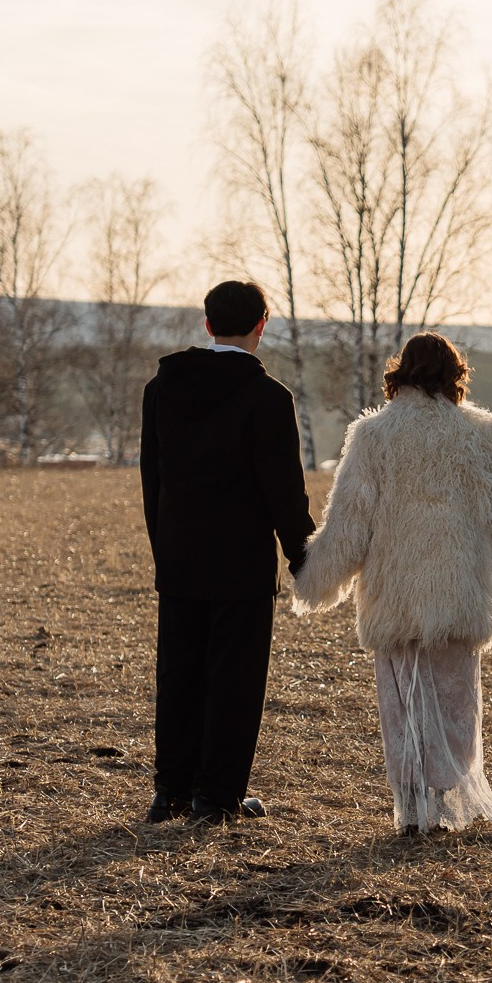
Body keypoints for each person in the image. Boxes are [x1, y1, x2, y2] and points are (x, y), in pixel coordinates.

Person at [291, 332, 492, 835]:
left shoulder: (374, 435)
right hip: (462, 592)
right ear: (455, 375)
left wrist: (312, 577)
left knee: (403, 706)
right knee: (456, 704)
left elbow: (350, 523)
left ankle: (412, 810)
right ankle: (445, 804)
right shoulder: (488, 434)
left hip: (395, 595)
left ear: (399, 373)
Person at [138, 280, 315, 825]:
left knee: (179, 674)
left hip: (179, 556)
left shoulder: (161, 389)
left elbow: (153, 479)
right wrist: (304, 554)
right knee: (233, 681)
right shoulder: (269, 398)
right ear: (262, 324)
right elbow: (282, 490)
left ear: (207, 324)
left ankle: (171, 789)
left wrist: (163, 546)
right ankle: (216, 797)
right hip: (240, 563)